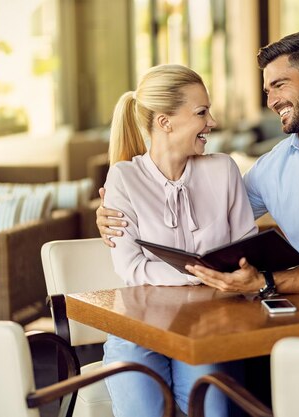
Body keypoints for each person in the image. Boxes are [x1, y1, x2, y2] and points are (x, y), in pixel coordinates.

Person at [97, 31, 299, 300]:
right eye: (267, 90)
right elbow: (212, 209)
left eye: (280, 85)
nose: (271, 101)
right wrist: (122, 212)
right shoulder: (274, 166)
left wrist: (262, 282)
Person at [101, 64, 256, 417]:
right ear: (164, 122)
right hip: (140, 328)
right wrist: (207, 274)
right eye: (201, 112)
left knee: (210, 410)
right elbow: (131, 267)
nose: (212, 122)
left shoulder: (223, 169)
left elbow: (246, 252)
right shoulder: (123, 178)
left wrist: (234, 273)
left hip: (209, 326)